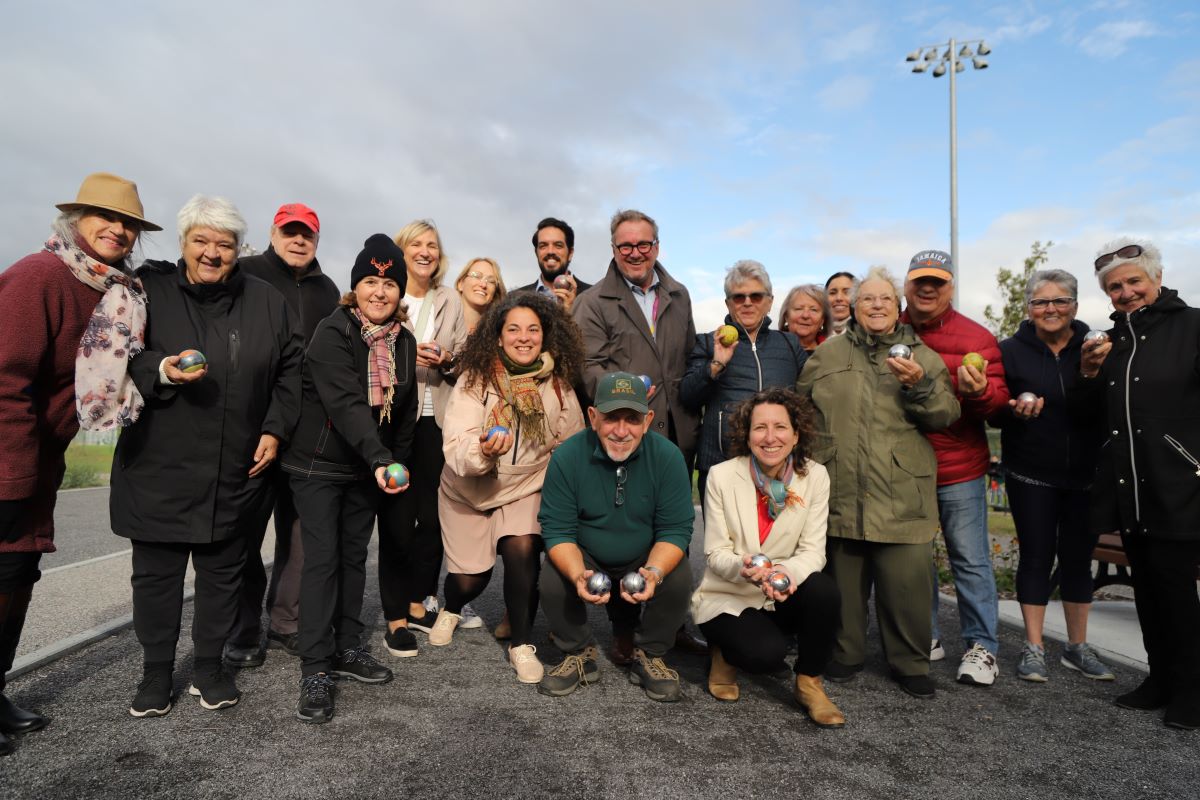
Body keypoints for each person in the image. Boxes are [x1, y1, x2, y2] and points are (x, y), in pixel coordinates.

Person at [109, 195, 302, 717]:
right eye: (201, 241)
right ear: (182, 243)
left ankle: (209, 668)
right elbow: (116, 350)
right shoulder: (149, 289)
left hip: (235, 465)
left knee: (223, 572)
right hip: (158, 463)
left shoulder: (266, 300)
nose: (212, 253)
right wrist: (162, 371)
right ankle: (154, 674)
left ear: (240, 249)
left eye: (224, 244)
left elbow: (291, 371)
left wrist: (276, 428)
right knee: (156, 577)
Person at [0, 173, 158, 755]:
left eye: (129, 224)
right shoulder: (38, 277)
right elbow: (3, 380)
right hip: (7, 460)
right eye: (105, 217)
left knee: (17, 578)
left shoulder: (116, 291)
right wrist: (14, 475)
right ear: (75, 221)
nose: (118, 229)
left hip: (36, 462)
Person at [797, 266, 960, 698]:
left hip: (901, 490)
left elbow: (947, 415)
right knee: (843, 586)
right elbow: (802, 413)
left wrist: (919, 387)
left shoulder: (921, 356)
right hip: (841, 486)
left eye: (885, 299)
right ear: (853, 307)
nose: (876, 305)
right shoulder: (828, 355)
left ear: (898, 306)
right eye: (867, 298)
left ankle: (909, 662)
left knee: (905, 585)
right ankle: (846, 653)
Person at [281, 234, 417, 723]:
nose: (379, 292)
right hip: (318, 465)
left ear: (400, 291)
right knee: (322, 561)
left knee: (354, 558)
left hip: (368, 467)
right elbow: (346, 404)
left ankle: (347, 645)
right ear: (354, 287)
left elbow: (405, 408)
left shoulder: (404, 341)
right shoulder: (332, 332)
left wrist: (395, 465)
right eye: (369, 281)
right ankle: (315, 667)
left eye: (388, 283)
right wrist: (382, 458)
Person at [1074, 238, 1200, 730]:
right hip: (1129, 489)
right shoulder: (1112, 342)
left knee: (1175, 590)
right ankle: (1161, 680)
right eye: (1115, 286)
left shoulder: (1192, 327)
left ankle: (1192, 689)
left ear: (1157, 279)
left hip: (1178, 484)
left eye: (1134, 282)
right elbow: (1090, 418)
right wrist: (1087, 374)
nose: (1126, 292)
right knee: (1145, 590)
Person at [427, 293, 585, 684]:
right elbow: (455, 445)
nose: (524, 337)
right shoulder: (474, 380)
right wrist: (482, 451)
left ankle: (521, 644)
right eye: (513, 329)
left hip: (525, 485)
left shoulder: (559, 386)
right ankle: (453, 606)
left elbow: (572, 442)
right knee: (470, 579)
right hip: (469, 487)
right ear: (498, 337)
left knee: (523, 549)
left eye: (533, 329)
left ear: (545, 336)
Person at [572, 209, 706, 658]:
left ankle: (670, 620)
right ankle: (624, 624)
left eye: (643, 244)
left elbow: (688, 359)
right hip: (626, 432)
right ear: (613, 249)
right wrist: (624, 397)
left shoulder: (679, 294)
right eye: (625, 245)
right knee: (629, 525)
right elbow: (587, 368)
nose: (635, 252)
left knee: (674, 528)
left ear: (656, 247)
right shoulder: (592, 302)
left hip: (676, 429)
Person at [226, 202, 340, 668]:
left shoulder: (327, 289)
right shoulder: (245, 273)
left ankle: (287, 621)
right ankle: (244, 627)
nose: (298, 241)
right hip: (253, 426)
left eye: (307, 234)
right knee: (243, 535)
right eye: (290, 232)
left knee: (300, 536)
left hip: (309, 430)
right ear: (273, 233)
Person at [536, 372, 696, 702]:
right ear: (593, 417)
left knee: (678, 574)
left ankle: (649, 654)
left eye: (632, 419)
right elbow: (558, 530)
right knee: (553, 576)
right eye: (611, 418)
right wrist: (578, 574)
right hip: (588, 554)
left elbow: (675, 530)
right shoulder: (567, 457)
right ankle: (579, 652)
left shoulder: (667, 457)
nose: (621, 431)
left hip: (643, 554)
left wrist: (653, 572)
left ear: (648, 420)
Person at [691, 388, 844, 726]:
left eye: (780, 427)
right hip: (728, 594)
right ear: (747, 435)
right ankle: (722, 651)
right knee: (765, 656)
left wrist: (785, 574)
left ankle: (809, 683)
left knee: (824, 592)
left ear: (796, 434)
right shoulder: (721, 475)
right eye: (759, 428)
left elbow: (812, 552)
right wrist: (743, 568)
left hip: (781, 591)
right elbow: (716, 552)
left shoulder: (815, 477)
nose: (770, 437)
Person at [993, 269, 1110, 683]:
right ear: (1029, 309)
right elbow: (992, 409)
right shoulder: (1010, 350)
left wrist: (1092, 371)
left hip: (1085, 473)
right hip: (1031, 472)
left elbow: (1105, 404)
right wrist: (1012, 409)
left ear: (1075, 306)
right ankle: (1034, 646)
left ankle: (1076, 647)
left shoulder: (1096, 346)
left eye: (1059, 301)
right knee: (1037, 557)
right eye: (1041, 302)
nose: (1050, 309)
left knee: (1079, 559)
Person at [900, 249, 1009, 686]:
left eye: (938, 282)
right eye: (920, 281)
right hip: (906, 466)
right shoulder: (890, 328)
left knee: (970, 559)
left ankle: (982, 647)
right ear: (907, 285)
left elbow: (999, 407)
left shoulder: (977, 338)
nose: (928, 288)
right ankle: (925, 634)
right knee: (914, 559)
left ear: (951, 287)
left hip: (958, 469)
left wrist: (980, 393)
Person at [377, 220, 471, 654]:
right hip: (394, 419)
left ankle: (418, 601)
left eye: (432, 245)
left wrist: (447, 358)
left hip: (437, 418)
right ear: (402, 250)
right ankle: (395, 616)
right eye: (416, 243)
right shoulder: (386, 292)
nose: (425, 251)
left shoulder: (450, 298)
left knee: (433, 520)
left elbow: (463, 356)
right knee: (397, 519)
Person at [680, 261, 807, 507]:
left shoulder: (789, 345)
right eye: (738, 297)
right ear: (728, 303)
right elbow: (687, 396)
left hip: (778, 467)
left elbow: (810, 397)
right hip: (722, 466)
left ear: (769, 301)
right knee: (724, 544)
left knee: (777, 543)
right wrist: (716, 365)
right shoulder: (708, 343)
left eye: (756, 296)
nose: (747, 302)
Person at [518, 217, 590, 311]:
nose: (550, 251)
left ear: (570, 253)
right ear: (536, 253)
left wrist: (572, 310)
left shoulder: (592, 296)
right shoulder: (517, 298)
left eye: (558, 245)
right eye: (543, 246)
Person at [455, 256, 507, 333]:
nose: (483, 284)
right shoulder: (437, 320)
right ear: (461, 284)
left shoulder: (498, 333)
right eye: (476, 276)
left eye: (491, 281)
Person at [779, 284, 832, 352]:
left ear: (822, 320)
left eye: (814, 310)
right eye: (799, 309)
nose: (805, 315)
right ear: (786, 316)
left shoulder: (833, 353)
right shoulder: (768, 348)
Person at [824, 272, 855, 337]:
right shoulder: (813, 337)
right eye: (832, 293)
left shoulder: (868, 335)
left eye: (847, 292)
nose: (839, 298)